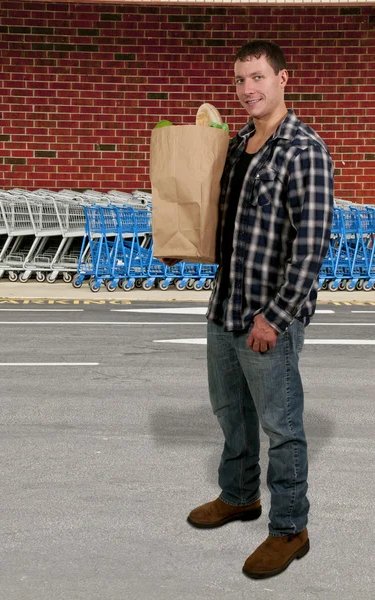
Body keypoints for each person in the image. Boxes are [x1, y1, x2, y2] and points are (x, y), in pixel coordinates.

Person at [164, 40, 334, 579]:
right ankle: (239, 495)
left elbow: (311, 247)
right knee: (230, 413)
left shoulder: (304, 149)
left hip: (268, 318)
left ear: (284, 78)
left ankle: (290, 528)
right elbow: (226, 224)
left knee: (281, 428)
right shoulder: (236, 145)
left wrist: (275, 317)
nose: (247, 89)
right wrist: (183, 240)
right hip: (225, 307)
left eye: (257, 77)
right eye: (239, 80)